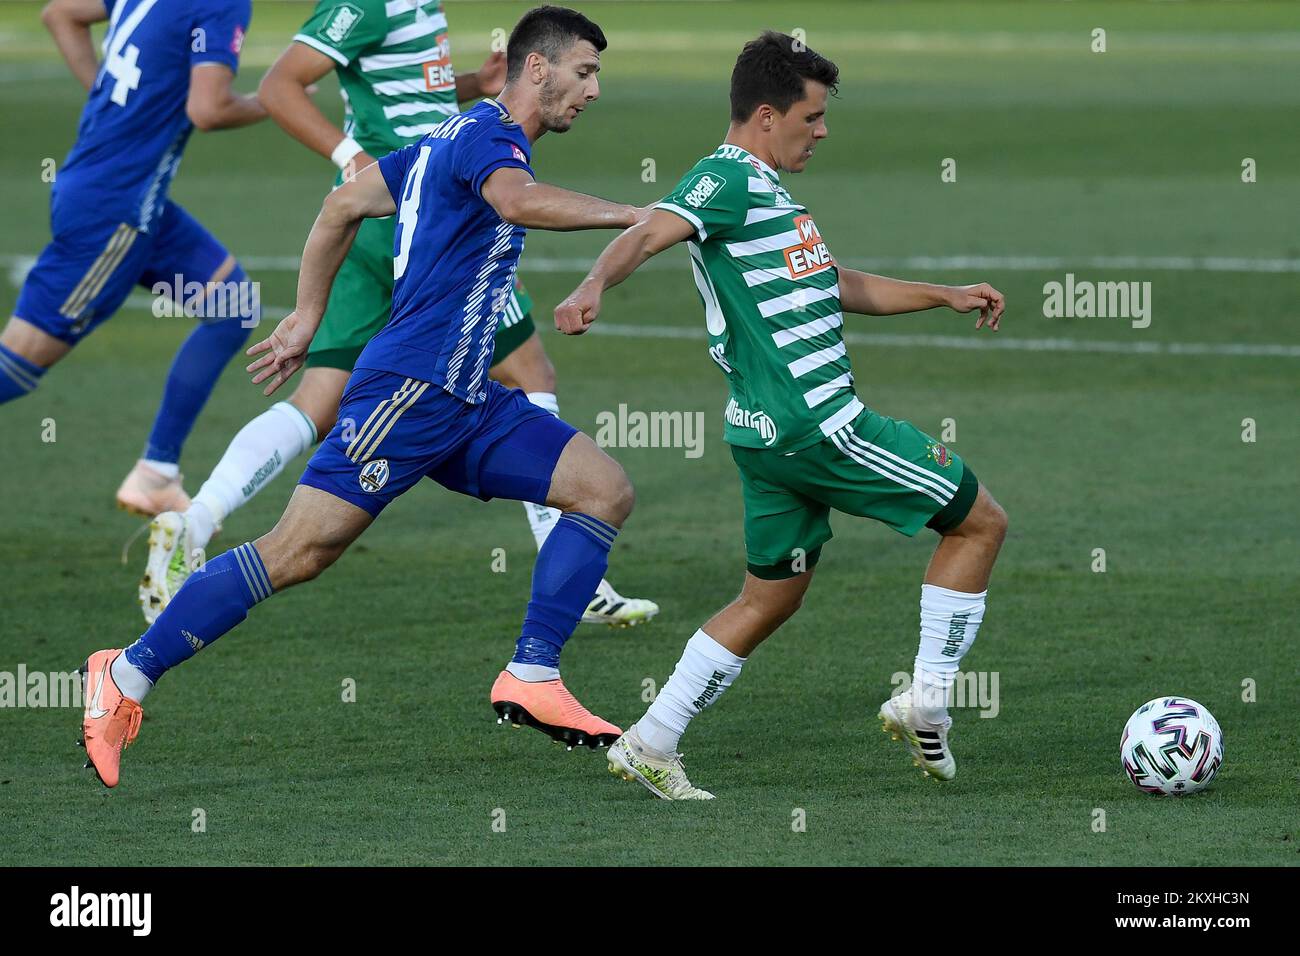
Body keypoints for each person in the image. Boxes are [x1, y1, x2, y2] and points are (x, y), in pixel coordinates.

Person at [80, 6, 646, 789]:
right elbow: (517, 203)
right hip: (407, 395)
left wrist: (308, 316)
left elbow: (344, 205)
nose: (592, 90)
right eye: (584, 72)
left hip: (466, 400)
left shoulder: (444, 136)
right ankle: (125, 673)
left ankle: (533, 675)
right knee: (297, 552)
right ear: (539, 68)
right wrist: (634, 213)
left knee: (603, 489)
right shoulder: (489, 139)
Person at [553, 32, 1009, 799]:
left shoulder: (768, 196)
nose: (823, 130)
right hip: (820, 426)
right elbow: (648, 230)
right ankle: (928, 697)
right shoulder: (725, 180)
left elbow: (835, 284)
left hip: (765, 441)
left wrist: (943, 294)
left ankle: (651, 740)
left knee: (769, 597)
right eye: (814, 115)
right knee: (979, 522)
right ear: (767, 115)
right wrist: (593, 286)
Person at [2, 0, 268, 516]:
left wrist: (109, 100)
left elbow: (59, 13)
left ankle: (156, 473)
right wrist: (275, 100)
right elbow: (209, 109)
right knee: (19, 363)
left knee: (233, 307)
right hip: (115, 214)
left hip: (127, 198)